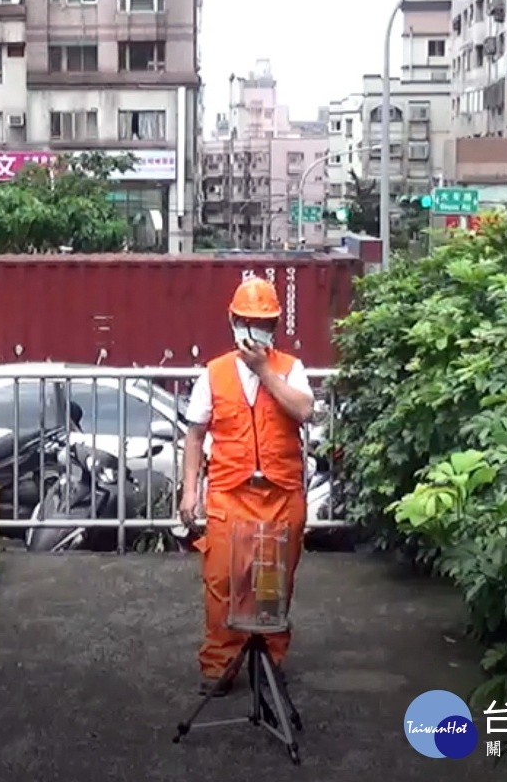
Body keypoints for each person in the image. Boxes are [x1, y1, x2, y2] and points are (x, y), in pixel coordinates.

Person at [178, 277, 316, 697]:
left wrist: (264, 371)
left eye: (264, 323)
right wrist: (189, 491)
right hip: (229, 496)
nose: (255, 329)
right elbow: (196, 435)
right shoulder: (214, 373)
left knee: (273, 585)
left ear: (274, 326)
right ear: (233, 321)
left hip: (280, 495)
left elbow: (304, 410)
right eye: (247, 321)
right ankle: (221, 664)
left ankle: (269, 661)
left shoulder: (290, 369)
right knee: (222, 584)